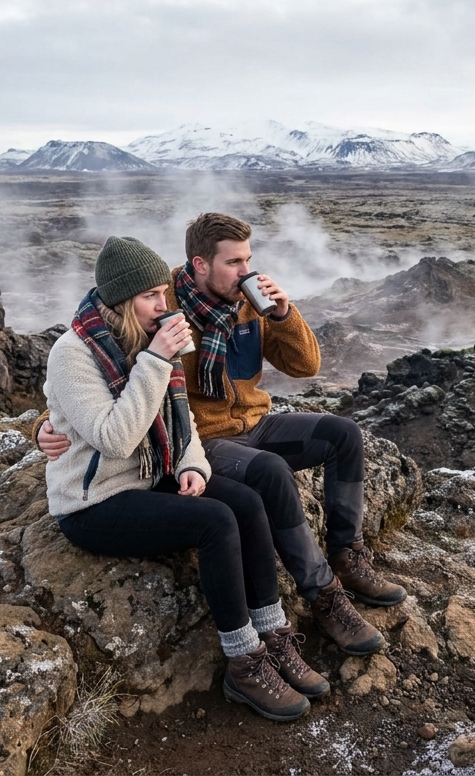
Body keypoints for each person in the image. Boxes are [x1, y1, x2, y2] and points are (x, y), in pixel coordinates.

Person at [37, 214, 406, 657]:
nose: (246, 271)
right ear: (200, 265)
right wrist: (43, 423)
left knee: (344, 434)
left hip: (255, 424)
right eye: (234, 262)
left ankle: (348, 558)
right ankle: (322, 596)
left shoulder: (249, 301)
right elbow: (101, 369)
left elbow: (306, 366)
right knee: (269, 475)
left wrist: (286, 314)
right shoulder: (160, 303)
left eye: (248, 259)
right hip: (209, 438)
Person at [44, 235, 328, 722]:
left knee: (246, 501)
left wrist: (192, 465)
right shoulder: (74, 353)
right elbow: (115, 439)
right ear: (120, 300)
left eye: (162, 292)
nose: (162, 303)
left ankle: (274, 634)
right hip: (94, 502)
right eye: (149, 296)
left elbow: (184, 420)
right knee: (215, 521)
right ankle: (244, 663)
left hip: (150, 477)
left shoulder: (148, 334)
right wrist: (156, 360)